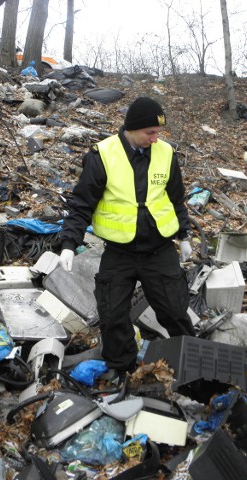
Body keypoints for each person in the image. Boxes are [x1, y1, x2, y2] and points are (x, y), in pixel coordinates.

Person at [59, 96, 196, 378]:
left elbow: (176, 199)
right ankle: (122, 370)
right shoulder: (103, 155)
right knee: (112, 315)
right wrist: (68, 244)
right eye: (150, 133)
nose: (156, 139)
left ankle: (191, 366)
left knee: (175, 311)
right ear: (131, 129)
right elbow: (82, 204)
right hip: (119, 251)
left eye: (159, 133)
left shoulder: (166, 154)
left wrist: (184, 235)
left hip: (159, 249)